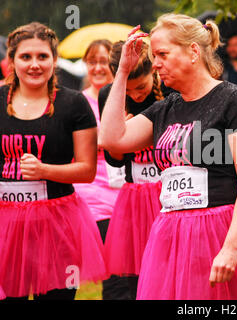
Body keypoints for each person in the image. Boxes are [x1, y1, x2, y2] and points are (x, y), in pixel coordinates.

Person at [99, 14, 237, 300]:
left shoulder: (235, 101)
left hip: (221, 229)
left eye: (162, 54)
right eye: (154, 55)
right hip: (173, 232)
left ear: (193, 52)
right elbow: (111, 139)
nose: (156, 63)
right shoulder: (166, 108)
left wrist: (231, 248)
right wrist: (122, 72)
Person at [0, 22, 106, 300]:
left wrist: (44, 170)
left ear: (54, 60)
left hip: (56, 221)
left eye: (42, 57)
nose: (34, 65)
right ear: (12, 60)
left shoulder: (73, 104)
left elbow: (86, 171)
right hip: (6, 223)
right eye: (25, 57)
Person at [99, 40, 165, 300]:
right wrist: (119, 139)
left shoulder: (170, 91)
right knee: (135, 276)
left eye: (142, 87)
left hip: (167, 191)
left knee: (166, 268)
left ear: (154, 74)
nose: (136, 95)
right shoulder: (109, 94)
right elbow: (114, 160)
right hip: (135, 195)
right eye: (129, 89)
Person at [71, 39, 126, 300]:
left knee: (125, 273)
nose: (97, 68)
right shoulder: (75, 103)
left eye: (104, 62)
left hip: (124, 192)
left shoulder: (127, 100)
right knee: (112, 270)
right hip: (90, 195)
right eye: (92, 62)